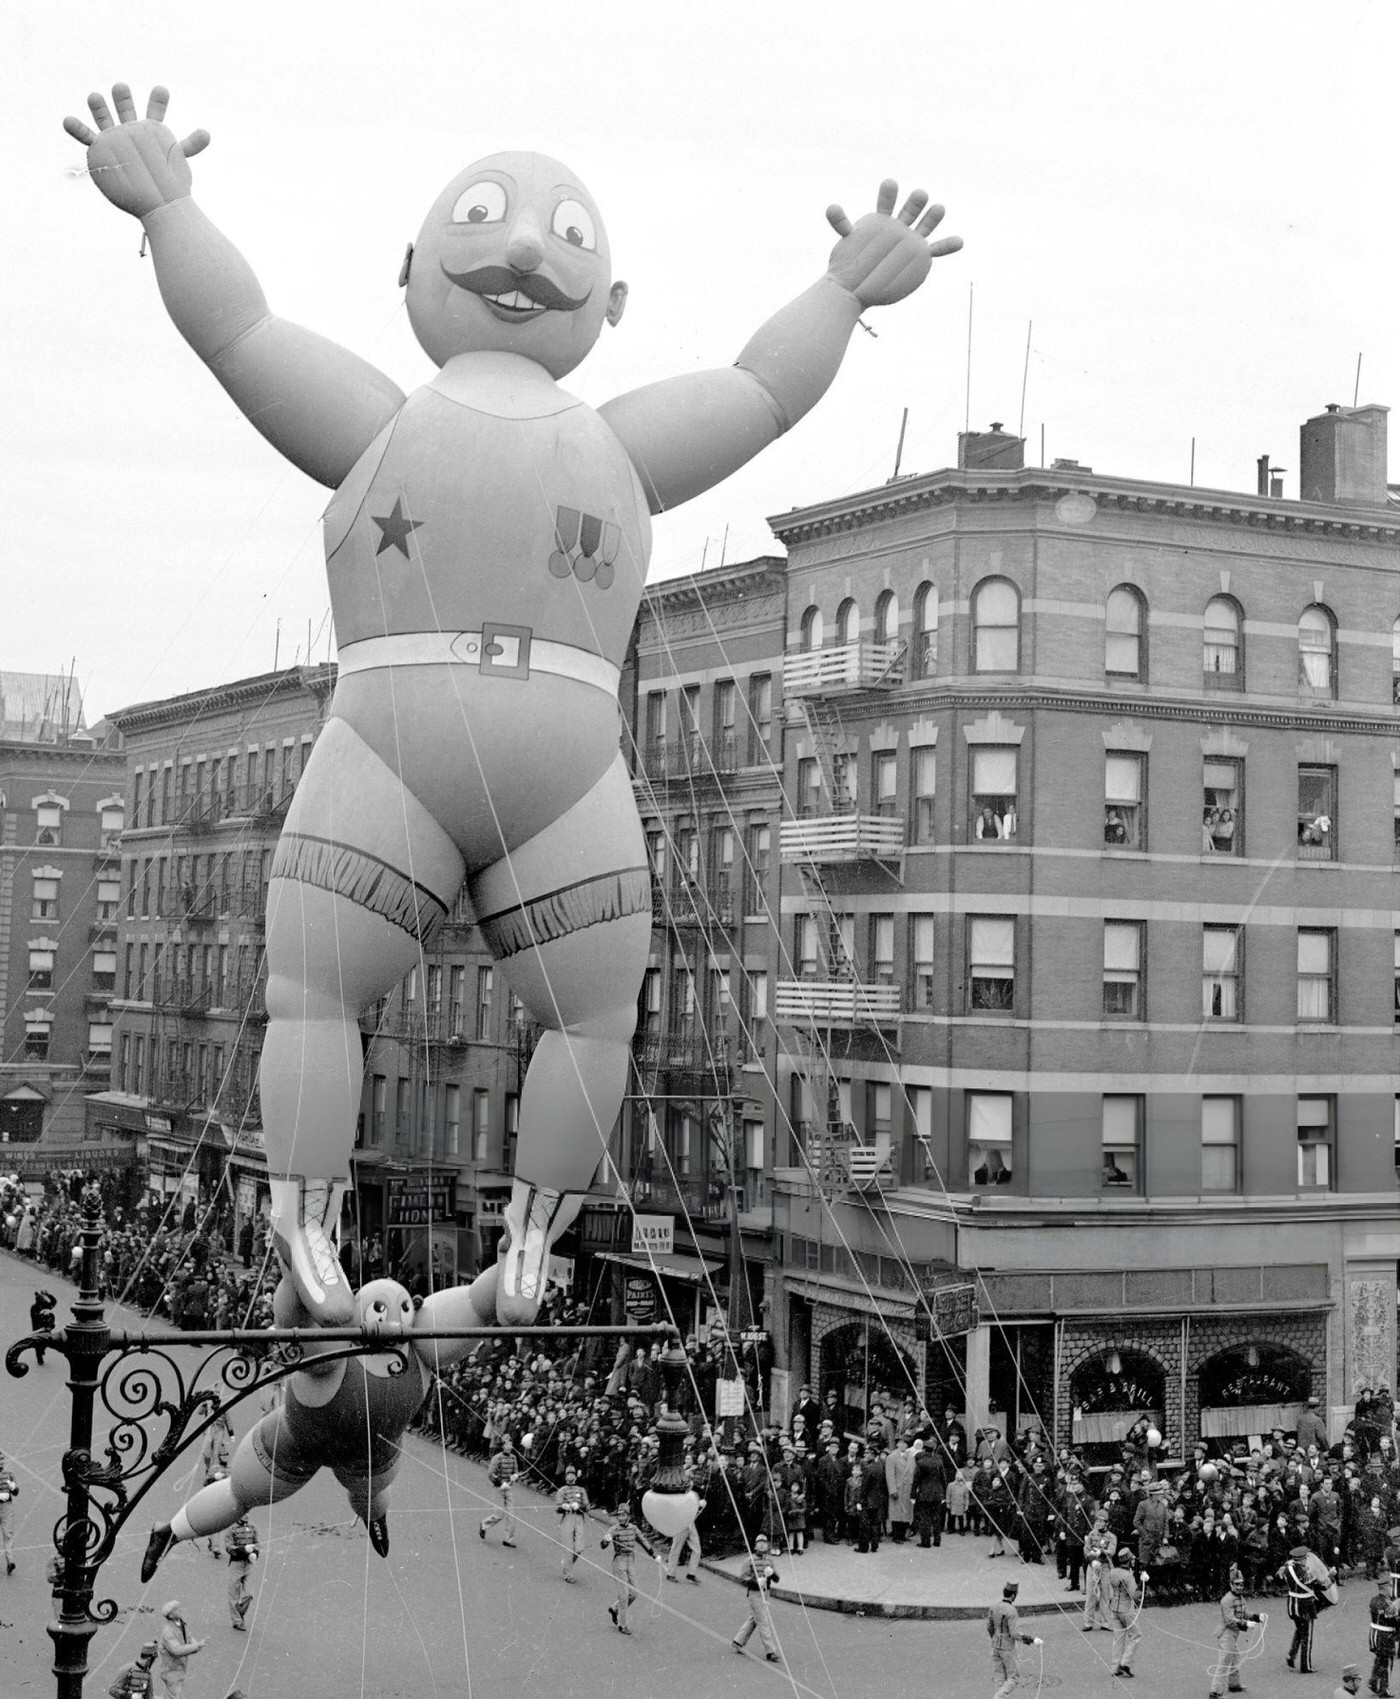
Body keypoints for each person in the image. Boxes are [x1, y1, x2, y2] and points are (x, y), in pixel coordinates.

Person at [63, 85, 961, 1334]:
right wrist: (169, 211)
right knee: (334, 991)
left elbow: (761, 388)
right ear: (410, 267)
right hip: (433, 755)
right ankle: (327, 1216)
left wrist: (839, 293)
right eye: (487, 219)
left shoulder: (578, 441)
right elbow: (241, 330)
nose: (528, 249)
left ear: (613, 302)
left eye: (562, 233)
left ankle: (522, 1232)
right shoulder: (407, 425)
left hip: (501, 766)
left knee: (569, 1010)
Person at [141, 1274, 507, 1576]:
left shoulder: (422, 1347)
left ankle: (376, 1519)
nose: (390, 1323)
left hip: (370, 1455)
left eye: (401, 1311)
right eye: (379, 1310)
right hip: (297, 1442)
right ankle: (169, 1532)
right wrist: (297, 1270)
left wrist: (510, 1260)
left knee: (371, 1496)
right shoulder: (337, 1346)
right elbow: (295, 1321)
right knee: (240, 1494)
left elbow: (477, 1306)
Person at [600, 1501, 659, 1635]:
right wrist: (606, 1541)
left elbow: (644, 1541)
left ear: (628, 1516)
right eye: (619, 1515)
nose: (621, 1518)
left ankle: (614, 1609)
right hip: (619, 1562)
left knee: (634, 1593)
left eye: (623, 1515)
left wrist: (654, 1555)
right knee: (624, 1595)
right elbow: (602, 1545)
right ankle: (622, 1625)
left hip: (630, 1560)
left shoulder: (633, 1529)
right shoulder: (614, 1529)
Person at [1210, 1563, 1263, 1696]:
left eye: (1241, 1584)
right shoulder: (1226, 1600)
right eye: (1237, 1584)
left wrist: (1257, 1617)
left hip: (1233, 1633)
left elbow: (1245, 1613)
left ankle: (1234, 1684)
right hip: (1226, 1633)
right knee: (1224, 1660)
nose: (1240, 1587)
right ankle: (1215, 1690)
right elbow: (1230, 1620)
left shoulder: (1240, 1598)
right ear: (1231, 1585)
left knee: (1235, 1658)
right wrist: (1246, 1624)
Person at [987, 1581, 1042, 1699]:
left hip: (995, 1646)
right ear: (1013, 1595)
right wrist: (1032, 1639)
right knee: (1014, 1678)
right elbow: (1014, 1634)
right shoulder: (1011, 1610)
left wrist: (995, 1638)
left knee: (999, 1679)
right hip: (1007, 1647)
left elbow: (989, 1627)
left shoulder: (994, 1606)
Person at [732, 1532, 782, 1662]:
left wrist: (772, 1574)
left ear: (767, 1545)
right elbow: (743, 1578)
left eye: (764, 1543)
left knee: (754, 1618)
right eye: (759, 1543)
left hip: (766, 1593)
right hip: (754, 1594)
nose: (762, 1545)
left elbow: (777, 1579)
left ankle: (738, 1641)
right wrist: (755, 1582)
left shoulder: (770, 1561)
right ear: (755, 1546)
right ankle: (770, 1651)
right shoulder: (749, 1560)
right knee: (763, 1621)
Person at [156, 1600, 205, 1699]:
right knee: (175, 1695)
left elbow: (188, 1638)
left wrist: (197, 1645)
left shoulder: (182, 1625)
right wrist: (196, 1646)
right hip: (171, 1670)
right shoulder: (168, 1632)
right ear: (171, 1615)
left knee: (169, 1695)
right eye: (176, 1609)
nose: (180, 1610)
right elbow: (177, 1650)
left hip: (178, 1669)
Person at [481, 1434, 521, 1547]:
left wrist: (515, 1476)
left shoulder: (513, 1458)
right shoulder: (496, 1458)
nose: (509, 1447)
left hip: (509, 1489)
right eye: (507, 1444)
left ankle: (508, 1540)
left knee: (512, 1515)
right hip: (498, 1489)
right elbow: (490, 1474)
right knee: (499, 1515)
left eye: (511, 1444)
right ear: (502, 1446)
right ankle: (483, 1526)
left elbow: (516, 1471)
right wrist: (500, 1482)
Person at [1106, 1554, 1141, 1679]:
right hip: (1126, 1609)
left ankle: (1115, 1667)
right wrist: (1142, 1585)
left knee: (1118, 1638)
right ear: (1128, 1561)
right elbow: (1134, 1595)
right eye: (1132, 1559)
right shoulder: (1128, 1576)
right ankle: (1125, 1663)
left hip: (1114, 1608)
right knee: (1136, 1635)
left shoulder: (1113, 1572)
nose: (1133, 1561)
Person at [555, 1463, 591, 1581]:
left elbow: (587, 1507)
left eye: (572, 1475)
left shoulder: (581, 1490)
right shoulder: (562, 1490)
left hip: (579, 1518)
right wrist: (564, 1507)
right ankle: (568, 1574)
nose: (570, 1477)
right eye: (568, 1475)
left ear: (576, 1477)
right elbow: (557, 1508)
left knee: (579, 1548)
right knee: (568, 1548)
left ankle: (567, 1563)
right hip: (567, 1518)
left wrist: (579, 1506)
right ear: (565, 1477)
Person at [223, 1515, 259, 1631]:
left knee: (249, 1594)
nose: (246, 1516)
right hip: (236, 1564)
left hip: (248, 1564)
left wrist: (255, 1553)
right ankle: (237, 1621)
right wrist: (243, 1550)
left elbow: (257, 1543)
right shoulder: (231, 1529)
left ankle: (238, 1611)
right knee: (234, 1593)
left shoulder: (252, 1527)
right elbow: (229, 1548)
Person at [1369, 1582, 1399, 1697]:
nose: (1391, 1589)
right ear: (1385, 1588)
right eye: (1390, 1586)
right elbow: (1395, 1621)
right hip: (1386, 1636)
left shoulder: (1373, 1600)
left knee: (1380, 1659)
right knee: (1387, 1662)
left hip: (1374, 1634)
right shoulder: (1388, 1604)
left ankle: (1374, 1682)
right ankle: (1384, 1689)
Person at [0, 1450, 18, 1575]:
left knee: (8, 1534)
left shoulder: (9, 1474)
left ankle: (10, 1562)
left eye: (2, 1459)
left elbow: (16, 1492)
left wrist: (13, 1487)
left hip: (6, 1507)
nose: (1, 1462)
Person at [29, 1289, 57, 1365]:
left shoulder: (45, 1305)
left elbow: (54, 1302)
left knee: (44, 1341)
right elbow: (34, 1318)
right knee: (38, 1343)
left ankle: (42, 1350)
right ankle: (40, 1360)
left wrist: (48, 1294)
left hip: (45, 1327)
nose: (42, 1299)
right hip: (38, 1328)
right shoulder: (35, 1307)